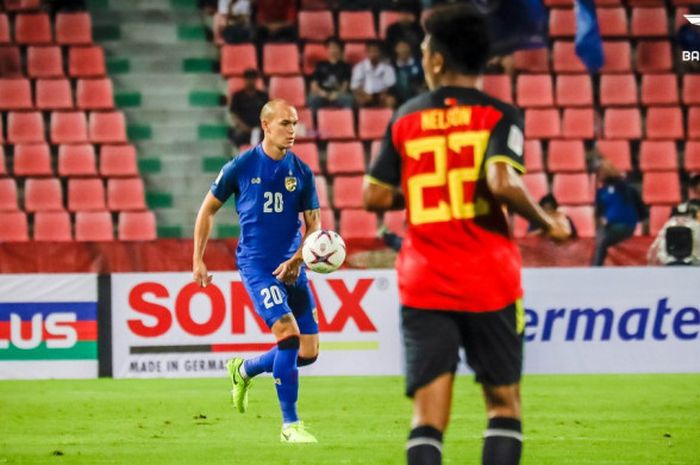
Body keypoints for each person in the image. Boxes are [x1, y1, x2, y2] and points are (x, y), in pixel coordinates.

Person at [362, 5, 570, 465]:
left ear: (436, 60)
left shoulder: (406, 117)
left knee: (428, 419)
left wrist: (414, 193)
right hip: (489, 282)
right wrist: (548, 221)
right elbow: (501, 182)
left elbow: (373, 196)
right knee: (503, 406)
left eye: (424, 49)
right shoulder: (501, 114)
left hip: (425, 282)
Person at [193, 99, 321, 443]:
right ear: (266, 126)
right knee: (288, 337)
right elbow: (206, 211)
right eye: (284, 123)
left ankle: (244, 369)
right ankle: (290, 426)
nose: (292, 130)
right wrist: (198, 260)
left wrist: (298, 260)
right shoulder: (242, 166)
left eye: (294, 123)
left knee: (307, 353)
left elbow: (314, 226)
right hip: (258, 267)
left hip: (293, 268)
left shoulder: (302, 173)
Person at [592, 159, 647, 266]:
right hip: (611, 226)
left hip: (625, 225)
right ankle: (595, 266)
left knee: (602, 241)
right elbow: (599, 212)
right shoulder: (601, 192)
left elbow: (640, 211)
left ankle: (595, 269)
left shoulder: (626, 189)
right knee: (601, 236)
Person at [307, 38, 354, 111]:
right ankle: (314, 121)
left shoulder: (345, 66)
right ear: (327, 50)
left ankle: (347, 121)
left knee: (348, 99)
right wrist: (322, 93)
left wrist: (337, 94)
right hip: (322, 95)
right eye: (330, 48)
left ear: (341, 50)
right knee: (312, 99)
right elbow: (314, 85)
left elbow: (345, 86)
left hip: (338, 95)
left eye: (335, 48)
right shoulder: (320, 65)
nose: (333, 50)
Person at [351, 40, 397, 108]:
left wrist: (382, 94)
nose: (373, 54)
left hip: (382, 95)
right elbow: (355, 86)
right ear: (366, 53)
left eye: (375, 51)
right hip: (365, 94)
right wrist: (365, 95)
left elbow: (389, 85)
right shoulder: (359, 67)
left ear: (380, 52)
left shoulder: (388, 68)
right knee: (358, 100)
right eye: (370, 51)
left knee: (391, 101)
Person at [229, 69, 268, 147]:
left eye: (253, 78)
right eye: (248, 78)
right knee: (234, 136)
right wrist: (245, 128)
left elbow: (268, 114)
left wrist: (260, 127)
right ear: (244, 79)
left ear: (256, 80)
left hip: (259, 129)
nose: (250, 81)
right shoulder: (237, 96)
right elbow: (234, 116)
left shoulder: (263, 96)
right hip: (243, 129)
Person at [392, 39, 425, 105]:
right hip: (398, 94)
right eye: (400, 47)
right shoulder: (392, 65)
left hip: (417, 92)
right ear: (396, 49)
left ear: (409, 48)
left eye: (404, 47)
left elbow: (424, 79)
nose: (403, 50)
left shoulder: (419, 63)